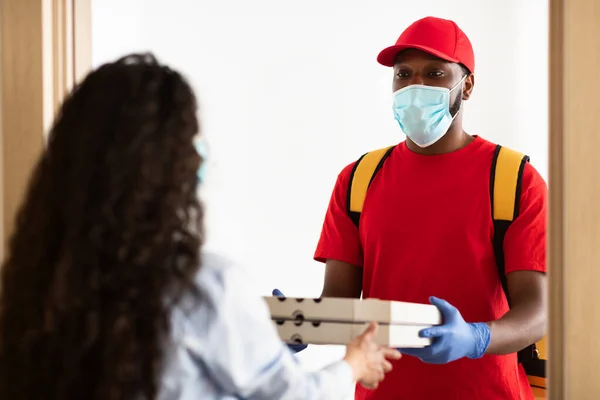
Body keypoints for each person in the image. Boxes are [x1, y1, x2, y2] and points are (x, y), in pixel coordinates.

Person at [0, 53, 401, 400]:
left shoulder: (33, 282)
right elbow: (288, 394)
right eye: (191, 137)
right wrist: (353, 364)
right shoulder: (207, 285)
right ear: (168, 164)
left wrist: (252, 336)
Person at [310, 16, 547, 400]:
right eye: (403, 74)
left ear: (466, 86)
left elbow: (538, 313)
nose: (415, 87)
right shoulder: (357, 180)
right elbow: (338, 302)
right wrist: (290, 326)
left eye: (435, 73)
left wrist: (476, 337)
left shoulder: (513, 179)